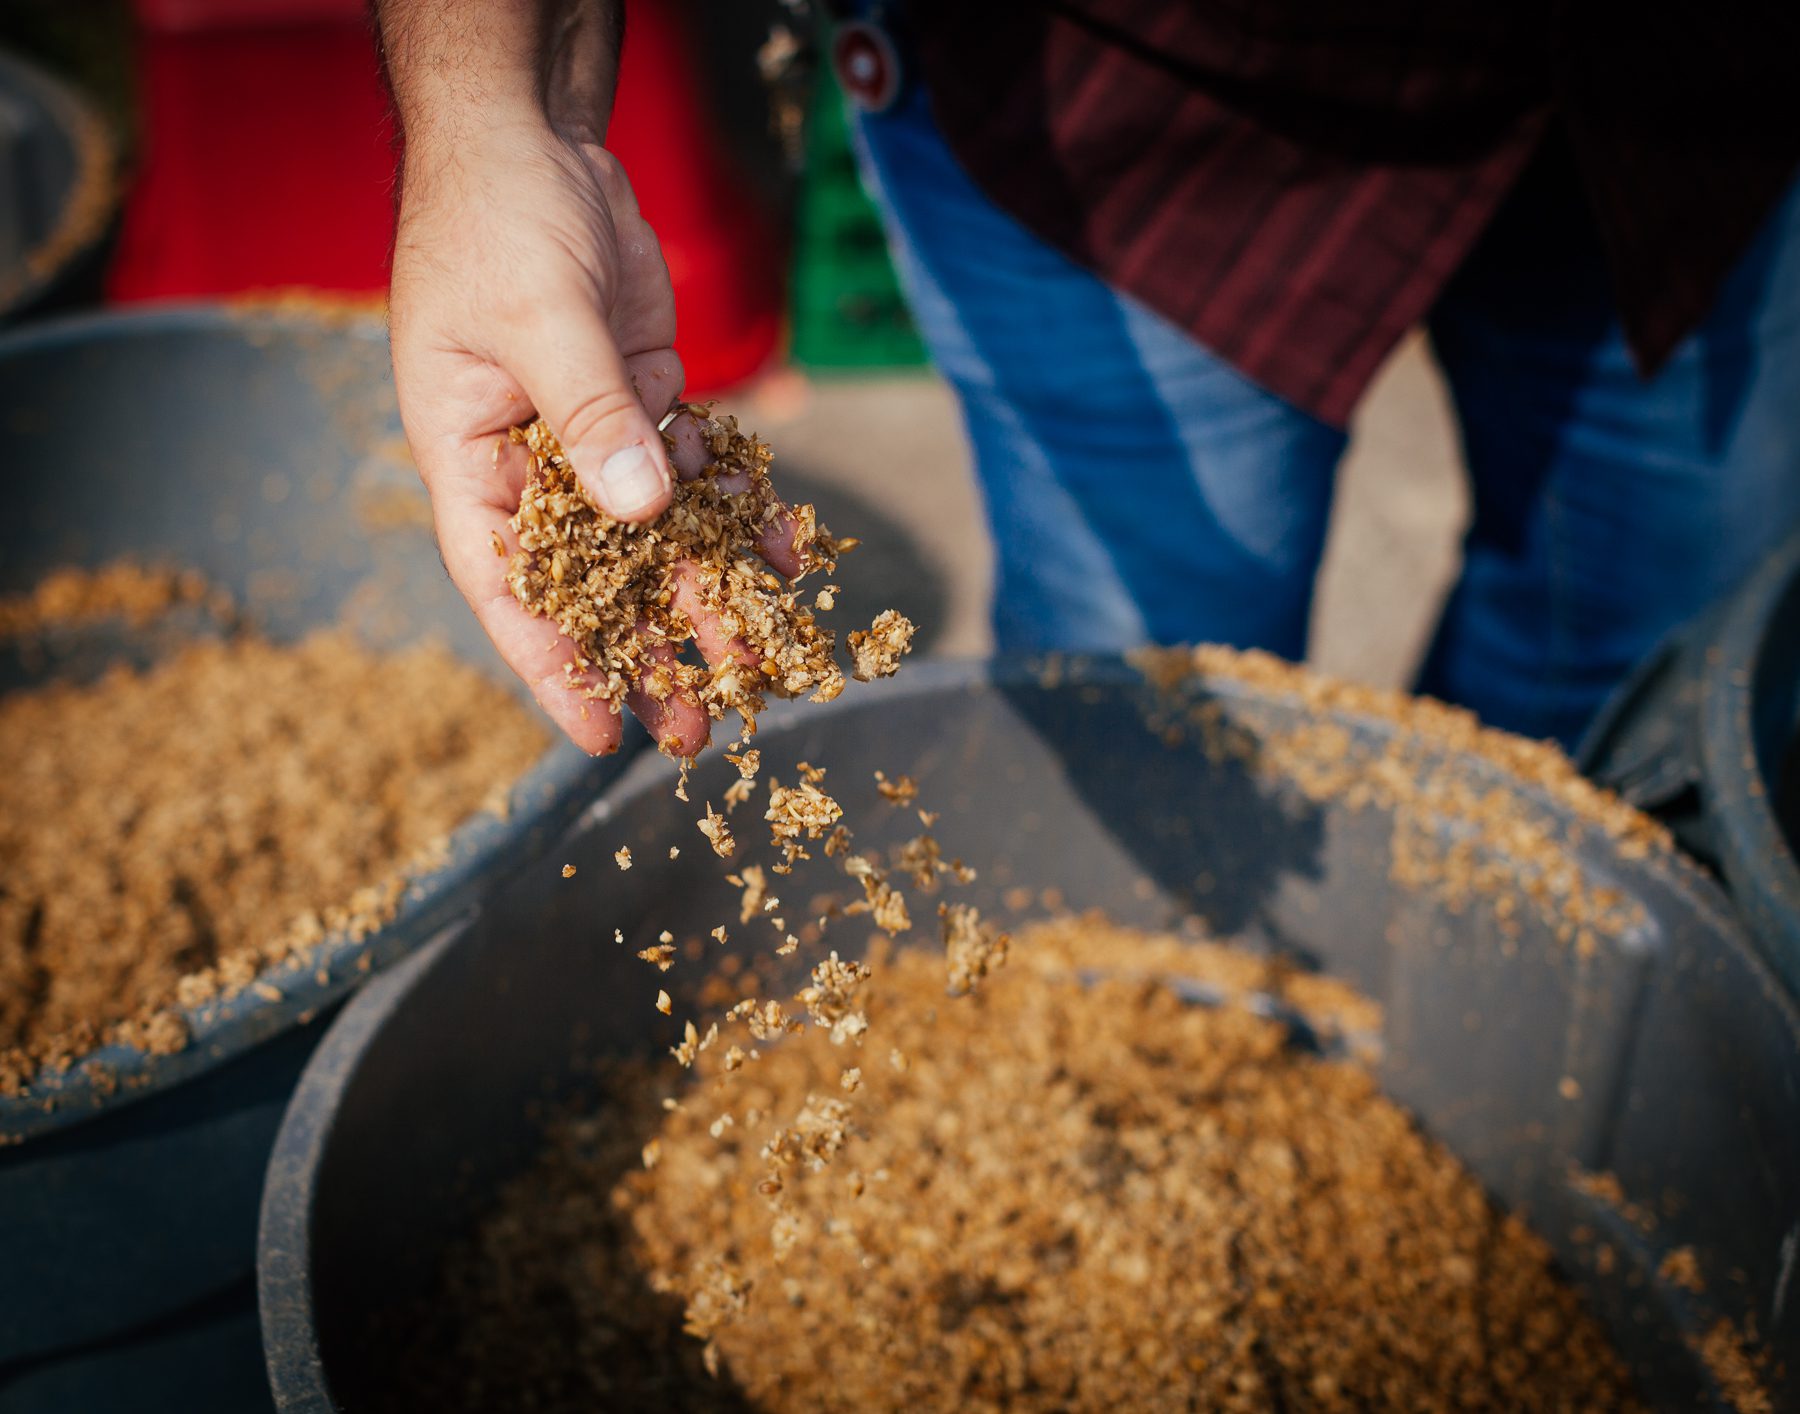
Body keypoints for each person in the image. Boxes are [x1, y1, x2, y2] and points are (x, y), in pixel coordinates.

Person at [377, 0, 1800, 758]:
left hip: (1689, 77)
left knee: (1641, 667)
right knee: (1156, 723)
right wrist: (499, 111)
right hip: (1125, 107)